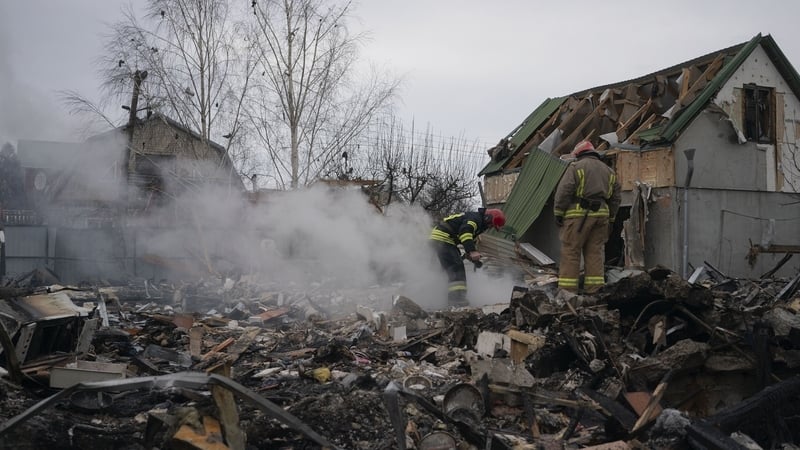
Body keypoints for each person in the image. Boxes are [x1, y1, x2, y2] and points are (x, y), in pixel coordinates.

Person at [554, 140, 621, 293]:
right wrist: (611, 219)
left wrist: (558, 212)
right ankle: (595, 290)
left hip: (578, 217)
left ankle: (567, 292)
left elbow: (564, 191)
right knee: (595, 252)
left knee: (571, 251)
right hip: (601, 217)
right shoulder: (609, 171)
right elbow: (616, 198)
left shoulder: (576, 167)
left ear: (578, 154)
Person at [429, 208, 506, 307]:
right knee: (456, 268)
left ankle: (440, 299)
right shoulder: (475, 219)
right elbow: (465, 232)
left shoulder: (478, 222)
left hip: (444, 239)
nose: (490, 227)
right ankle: (457, 301)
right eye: (491, 224)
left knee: (445, 270)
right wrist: (472, 251)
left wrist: (469, 253)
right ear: (488, 217)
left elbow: (467, 237)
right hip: (443, 238)